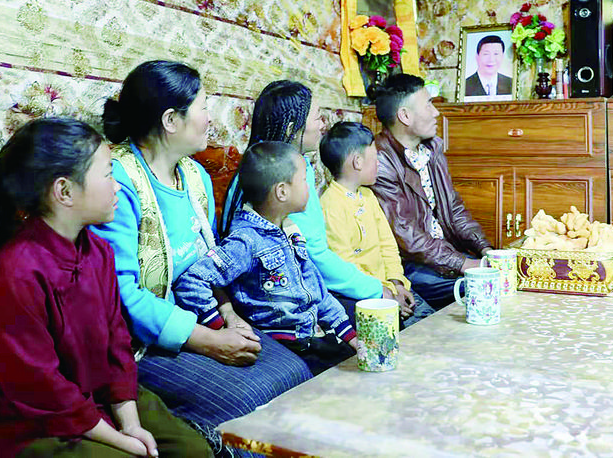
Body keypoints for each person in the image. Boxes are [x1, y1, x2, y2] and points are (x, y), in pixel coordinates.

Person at [0, 117, 210, 457]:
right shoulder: (14, 273)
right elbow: (41, 386)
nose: (117, 187)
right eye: (108, 174)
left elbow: (117, 342)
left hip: (99, 397)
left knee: (193, 451)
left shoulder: (98, 250)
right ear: (64, 191)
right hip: (39, 421)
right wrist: (122, 442)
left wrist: (130, 424)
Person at [94, 61, 310, 450]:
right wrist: (208, 341)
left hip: (205, 318)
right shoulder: (119, 181)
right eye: (204, 107)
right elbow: (121, 295)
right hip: (143, 344)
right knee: (252, 402)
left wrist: (229, 317)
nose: (210, 118)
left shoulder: (196, 177)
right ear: (171, 121)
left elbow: (210, 265)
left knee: (296, 373)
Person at [176, 141, 361, 376]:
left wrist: (350, 336)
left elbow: (316, 291)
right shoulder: (246, 241)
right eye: (304, 180)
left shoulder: (290, 230)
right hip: (285, 346)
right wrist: (218, 324)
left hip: (311, 335)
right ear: (282, 191)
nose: (310, 187)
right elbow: (192, 281)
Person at [220, 81, 394, 316]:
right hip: (277, 292)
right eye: (318, 118)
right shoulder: (280, 179)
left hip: (304, 279)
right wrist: (375, 289)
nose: (324, 125)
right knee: (376, 314)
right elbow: (313, 254)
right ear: (292, 129)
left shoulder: (292, 165)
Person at [372, 74, 493, 309]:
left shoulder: (431, 148)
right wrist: (465, 264)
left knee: (503, 275)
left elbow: (454, 208)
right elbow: (406, 235)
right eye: (428, 104)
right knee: (484, 286)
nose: (436, 112)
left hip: (445, 256)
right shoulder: (381, 160)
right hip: (413, 265)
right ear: (405, 116)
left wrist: (485, 249)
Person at [318, 121, 435, 327]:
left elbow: (387, 245)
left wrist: (397, 283)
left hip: (392, 287)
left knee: (432, 324)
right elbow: (346, 265)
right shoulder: (330, 205)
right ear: (357, 162)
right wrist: (385, 292)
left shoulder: (367, 195)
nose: (378, 164)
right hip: (366, 296)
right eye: (375, 158)